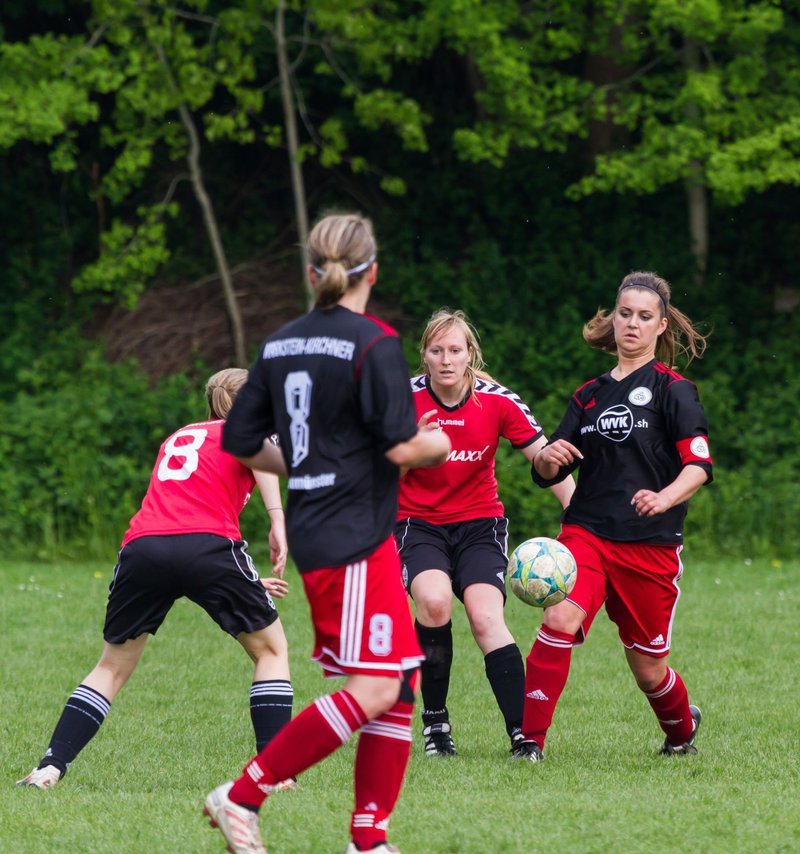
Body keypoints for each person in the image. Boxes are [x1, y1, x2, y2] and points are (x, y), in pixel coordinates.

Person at [204, 213, 451, 854]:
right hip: (353, 537)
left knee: (400, 681)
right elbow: (401, 447)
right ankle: (243, 794)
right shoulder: (374, 342)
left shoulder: (282, 343)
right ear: (373, 270)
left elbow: (238, 439)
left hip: (326, 530)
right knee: (374, 687)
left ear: (312, 272)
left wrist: (309, 465)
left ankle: (369, 838)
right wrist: (436, 441)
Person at [16, 369, 292, 790]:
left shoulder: (180, 435)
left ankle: (49, 767)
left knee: (110, 667)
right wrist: (277, 520)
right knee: (272, 651)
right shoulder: (247, 431)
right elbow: (260, 455)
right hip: (208, 546)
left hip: (143, 548)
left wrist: (245, 583)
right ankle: (273, 773)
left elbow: (178, 520)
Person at [513, 271, 713, 762]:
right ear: (614, 317)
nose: (632, 324)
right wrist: (548, 457)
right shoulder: (588, 396)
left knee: (648, 669)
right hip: (588, 533)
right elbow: (547, 468)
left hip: (651, 543)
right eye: (625, 313)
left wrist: (665, 498)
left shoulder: (675, 391)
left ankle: (682, 730)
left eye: (645, 317)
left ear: (661, 326)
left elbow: (699, 466)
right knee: (559, 615)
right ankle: (528, 744)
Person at [397, 308, 574, 757]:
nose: (446, 359)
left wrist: (577, 518)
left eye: (455, 350)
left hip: (480, 526)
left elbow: (544, 460)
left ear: (470, 354)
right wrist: (409, 449)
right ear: (424, 356)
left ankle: (524, 735)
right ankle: (436, 725)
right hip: (418, 525)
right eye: (436, 351)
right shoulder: (400, 401)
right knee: (434, 603)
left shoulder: (498, 401)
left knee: (485, 617)